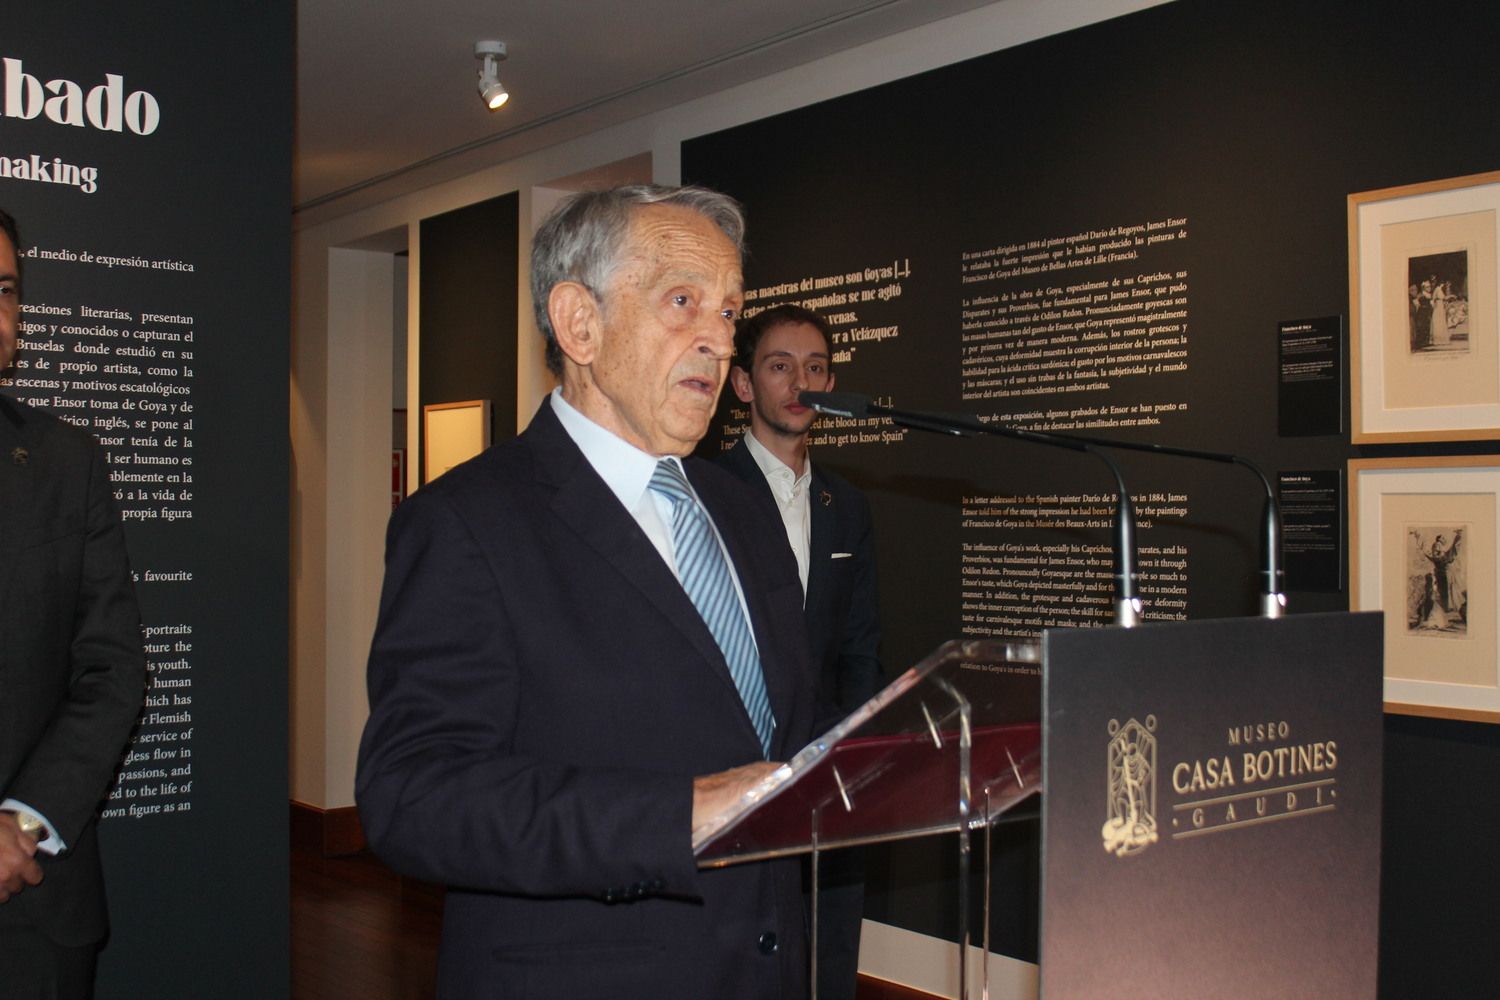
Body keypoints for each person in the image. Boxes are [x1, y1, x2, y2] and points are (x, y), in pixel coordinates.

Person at [357, 186, 817, 999]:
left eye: (728, 312)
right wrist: (672, 815)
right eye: (684, 302)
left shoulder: (741, 508)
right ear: (579, 324)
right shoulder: (467, 522)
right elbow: (414, 795)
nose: (719, 340)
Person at [0, 208, 147, 997]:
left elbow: (113, 668)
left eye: (6, 291)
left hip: (33, 908)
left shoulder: (68, 465)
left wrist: (20, 826)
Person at [716, 304, 882, 1000]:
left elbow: (860, 644)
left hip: (828, 771)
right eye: (780, 366)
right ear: (744, 385)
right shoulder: (709, 493)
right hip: (736, 775)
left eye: (815, 368)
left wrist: (858, 752)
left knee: (830, 948)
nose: (800, 383)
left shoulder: (847, 504)